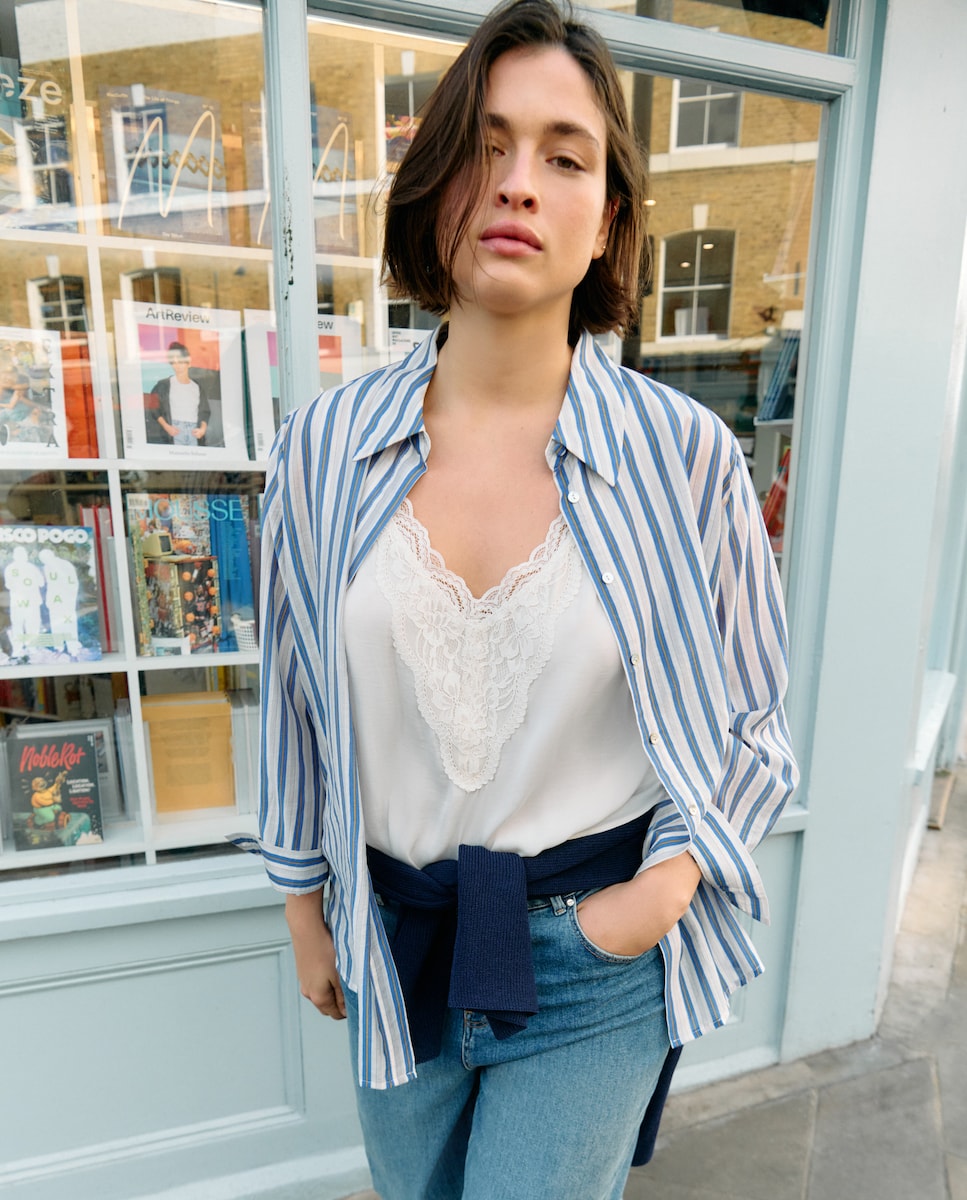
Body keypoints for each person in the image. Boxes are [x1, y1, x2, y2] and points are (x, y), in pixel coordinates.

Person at [243, 1, 798, 1197]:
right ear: (434, 183)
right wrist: (304, 911)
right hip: (395, 942)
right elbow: (289, 697)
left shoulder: (682, 459)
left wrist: (657, 895)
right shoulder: (321, 451)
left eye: (564, 156)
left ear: (609, 221)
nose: (517, 184)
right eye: (485, 146)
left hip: (591, 963)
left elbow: (751, 715)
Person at [148, 341, 211, 446]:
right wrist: (167, 427)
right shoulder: (164, 385)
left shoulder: (197, 387)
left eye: (181, 361)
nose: (177, 365)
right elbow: (153, 407)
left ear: (188, 362)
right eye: (174, 362)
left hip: (194, 433)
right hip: (174, 431)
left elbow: (205, 412)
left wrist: (202, 430)